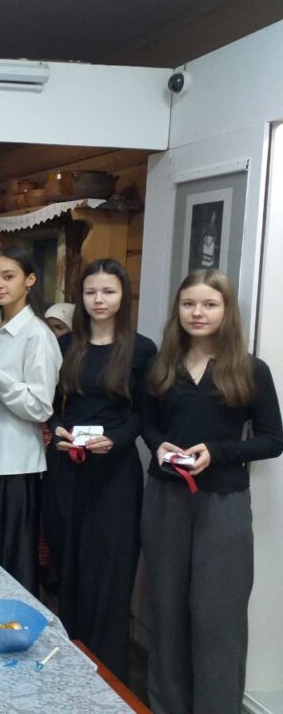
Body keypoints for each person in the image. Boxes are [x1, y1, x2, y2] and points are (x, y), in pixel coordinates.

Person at [141, 269, 282, 714]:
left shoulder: (250, 369)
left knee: (217, 615)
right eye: (188, 304)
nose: (197, 313)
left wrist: (218, 452)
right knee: (166, 610)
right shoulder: (161, 365)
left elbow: (273, 440)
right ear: (178, 310)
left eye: (209, 304)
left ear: (227, 310)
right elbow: (147, 423)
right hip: (165, 499)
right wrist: (157, 444)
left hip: (224, 503)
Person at [44, 259, 156, 682]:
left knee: (108, 573)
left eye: (108, 291)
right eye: (91, 292)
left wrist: (117, 440)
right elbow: (51, 404)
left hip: (115, 473)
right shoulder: (66, 344)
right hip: (67, 466)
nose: (99, 300)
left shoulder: (141, 349)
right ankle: (68, 669)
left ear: (123, 296)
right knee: (68, 565)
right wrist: (57, 428)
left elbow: (145, 415)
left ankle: (108, 678)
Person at [0, 245, 61, 592]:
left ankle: (13, 621)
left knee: (10, 559)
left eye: (8, 277)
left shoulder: (38, 334)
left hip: (15, 461)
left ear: (30, 280)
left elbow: (40, 406)